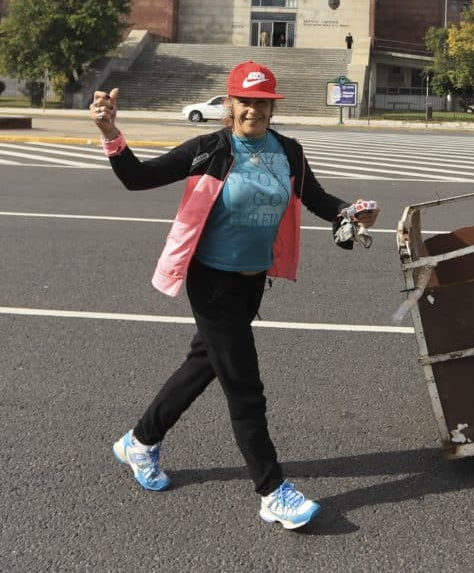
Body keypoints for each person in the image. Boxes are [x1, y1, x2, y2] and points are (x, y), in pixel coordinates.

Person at [90, 60, 379, 529]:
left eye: (262, 102)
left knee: (203, 364)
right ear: (230, 104)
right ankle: (272, 491)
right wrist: (110, 132)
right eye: (245, 101)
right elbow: (137, 177)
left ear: (271, 105)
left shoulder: (287, 150)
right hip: (211, 281)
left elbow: (317, 199)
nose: (253, 110)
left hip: (251, 283)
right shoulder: (210, 149)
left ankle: (140, 442)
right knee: (246, 390)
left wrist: (350, 212)